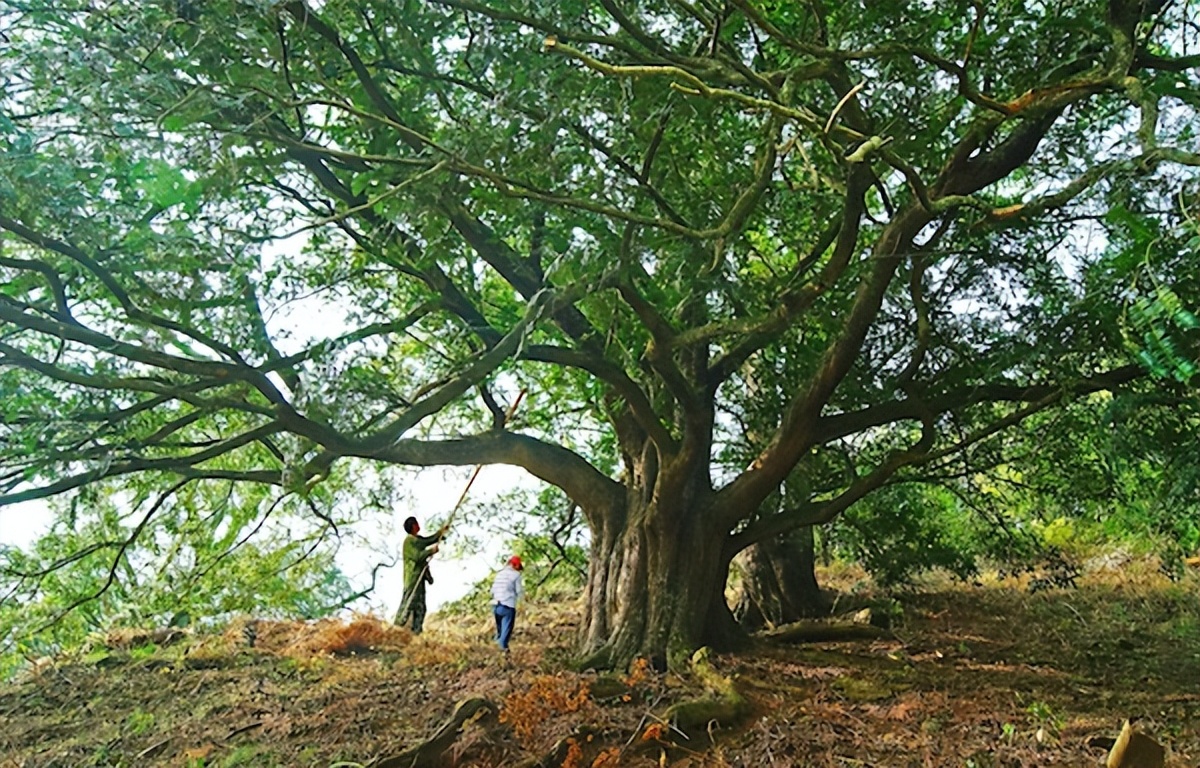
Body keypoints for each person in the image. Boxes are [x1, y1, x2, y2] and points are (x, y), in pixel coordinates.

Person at [394, 516, 448, 633]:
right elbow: (418, 557)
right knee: (408, 605)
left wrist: (441, 533)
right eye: (416, 523)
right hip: (412, 580)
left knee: (421, 608)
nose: (418, 525)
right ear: (413, 526)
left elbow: (428, 541)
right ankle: (397, 628)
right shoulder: (409, 541)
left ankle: (416, 632)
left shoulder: (417, 540)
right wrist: (431, 551)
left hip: (420, 581)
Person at [491, 555, 524, 653]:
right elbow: (519, 591)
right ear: (515, 565)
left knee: (500, 633)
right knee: (505, 636)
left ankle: (495, 654)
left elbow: (492, 590)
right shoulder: (516, 575)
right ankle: (502, 654)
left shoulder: (499, 574)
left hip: (496, 606)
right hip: (508, 606)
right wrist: (522, 603)